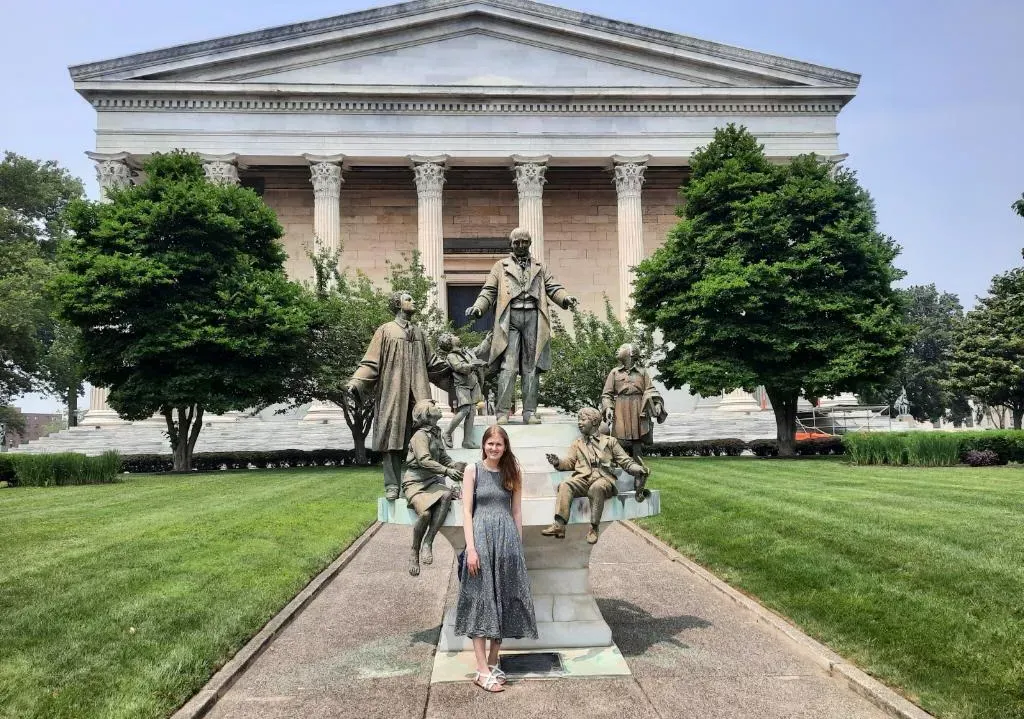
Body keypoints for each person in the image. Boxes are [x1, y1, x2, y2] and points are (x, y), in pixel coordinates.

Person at [466, 227, 577, 425]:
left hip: (534, 317)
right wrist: (478, 308)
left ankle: (529, 411)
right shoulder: (501, 266)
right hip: (510, 319)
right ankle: (502, 412)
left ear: (529, 243)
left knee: (531, 367)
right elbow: (489, 291)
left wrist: (565, 298)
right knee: (508, 367)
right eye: (517, 242)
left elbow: (553, 286)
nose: (520, 245)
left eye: (524, 242)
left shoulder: (539, 267)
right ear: (511, 244)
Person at [455, 424, 538, 692]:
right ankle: (480, 670)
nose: (494, 448)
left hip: (506, 542)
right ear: (483, 445)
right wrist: (471, 548)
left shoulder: (512, 473)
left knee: (502, 598)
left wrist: (518, 547)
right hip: (480, 540)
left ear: (505, 446)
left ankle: (492, 662)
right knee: (481, 601)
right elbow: (467, 512)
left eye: (499, 444)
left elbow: (516, 512)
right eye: (490, 443)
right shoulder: (472, 471)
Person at [347, 291, 439, 501]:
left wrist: (458, 368)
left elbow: (433, 363)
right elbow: (371, 362)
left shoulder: (419, 332)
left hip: (418, 394)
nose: (413, 301)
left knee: (425, 437)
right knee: (391, 437)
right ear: (397, 304)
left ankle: (423, 483)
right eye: (409, 299)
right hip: (394, 392)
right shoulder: (386, 331)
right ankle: (392, 485)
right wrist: (356, 382)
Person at [542, 407, 651, 544]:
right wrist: (558, 462)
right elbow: (569, 463)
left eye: (583, 419)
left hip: (603, 479)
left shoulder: (610, 442)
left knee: (596, 488)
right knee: (565, 485)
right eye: (578, 420)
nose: (579, 423)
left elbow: (626, 462)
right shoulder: (577, 443)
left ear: (594, 422)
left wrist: (638, 469)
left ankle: (594, 527)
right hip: (583, 478)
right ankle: (560, 525)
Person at [402, 399, 466, 577]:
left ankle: (428, 542)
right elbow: (424, 460)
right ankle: (414, 550)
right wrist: (447, 471)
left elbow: (443, 457)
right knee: (425, 514)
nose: (439, 408)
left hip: (431, 480)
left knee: (446, 496)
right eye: (435, 406)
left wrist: (456, 466)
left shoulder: (436, 433)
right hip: (415, 482)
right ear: (427, 413)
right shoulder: (420, 436)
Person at [600, 343, 667, 460]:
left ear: (630, 353)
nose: (617, 350)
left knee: (637, 440)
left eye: (621, 348)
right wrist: (608, 408)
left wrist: (657, 403)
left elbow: (651, 390)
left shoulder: (642, 372)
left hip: (638, 407)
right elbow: (607, 394)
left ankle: (639, 469)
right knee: (618, 439)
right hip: (620, 408)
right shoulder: (614, 372)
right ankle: (616, 465)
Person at [437, 332, 490, 449]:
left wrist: (488, 339)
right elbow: (459, 367)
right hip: (462, 385)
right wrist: (473, 365)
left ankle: (467, 441)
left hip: (473, 384)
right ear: (449, 341)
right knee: (465, 409)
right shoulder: (451, 356)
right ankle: (447, 432)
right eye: (454, 336)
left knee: (472, 411)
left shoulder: (467, 351)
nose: (458, 336)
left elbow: (479, 349)